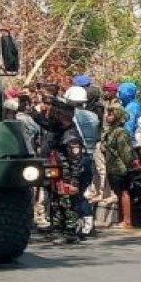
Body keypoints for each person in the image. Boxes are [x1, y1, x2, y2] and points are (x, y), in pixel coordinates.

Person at [44, 98, 87, 244]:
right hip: (58, 174)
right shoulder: (60, 132)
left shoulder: (71, 136)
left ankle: (70, 232)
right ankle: (58, 228)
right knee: (57, 203)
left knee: (68, 204)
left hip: (67, 176)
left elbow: (76, 160)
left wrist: (74, 181)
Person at [64, 85, 99, 236]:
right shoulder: (93, 117)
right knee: (82, 190)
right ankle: (86, 222)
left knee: (74, 191)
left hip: (75, 157)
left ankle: (86, 222)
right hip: (90, 156)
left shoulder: (68, 116)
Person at [100, 105, 136, 229]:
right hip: (112, 166)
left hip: (121, 167)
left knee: (124, 192)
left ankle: (127, 220)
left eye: (111, 114)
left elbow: (125, 151)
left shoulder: (121, 132)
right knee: (119, 192)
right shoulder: (110, 131)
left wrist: (130, 166)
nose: (107, 116)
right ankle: (121, 219)